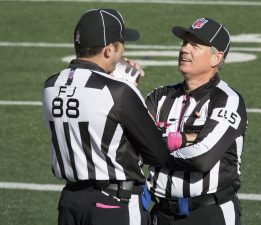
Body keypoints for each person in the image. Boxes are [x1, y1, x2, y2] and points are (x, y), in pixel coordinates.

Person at [42, 8, 170, 225]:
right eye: (121, 46)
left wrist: (114, 81)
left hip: (71, 202)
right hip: (113, 205)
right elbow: (157, 154)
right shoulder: (119, 92)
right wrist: (127, 86)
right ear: (109, 50)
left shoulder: (50, 85)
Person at [146, 17, 248, 225]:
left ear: (216, 58)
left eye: (195, 45)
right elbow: (134, 143)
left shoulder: (227, 100)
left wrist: (156, 149)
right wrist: (185, 139)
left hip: (208, 213)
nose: (185, 49)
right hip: (160, 213)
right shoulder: (160, 96)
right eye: (185, 43)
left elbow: (203, 158)